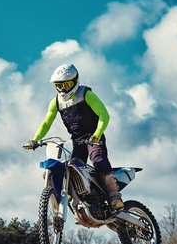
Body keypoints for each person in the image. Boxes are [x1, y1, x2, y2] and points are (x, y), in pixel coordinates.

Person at [24, 63, 124, 210]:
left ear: (75, 81)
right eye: (58, 86)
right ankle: (77, 199)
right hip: (77, 141)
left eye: (66, 85)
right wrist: (34, 139)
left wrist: (97, 134)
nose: (62, 89)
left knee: (98, 159)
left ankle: (115, 196)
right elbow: (46, 122)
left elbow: (104, 114)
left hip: (93, 137)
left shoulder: (86, 95)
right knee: (71, 169)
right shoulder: (56, 102)